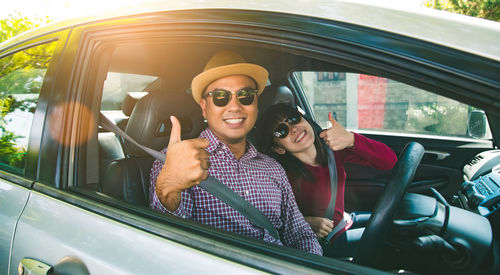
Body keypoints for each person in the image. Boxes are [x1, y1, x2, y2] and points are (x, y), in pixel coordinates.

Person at [149, 51, 322, 255]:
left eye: (245, 96)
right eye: (220, 97)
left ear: (256, 104)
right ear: (204, 108)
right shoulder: (178, 161)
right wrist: (168, 186)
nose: (235, 106)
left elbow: (300, 234)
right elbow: (168, 243)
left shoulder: (273, 167)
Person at [256, 103, 397, 257]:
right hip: (325, 242)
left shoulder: (331, 148)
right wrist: (304, 222)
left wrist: (351, 139)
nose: (293, 129)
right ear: (278, 148)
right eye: (281, 131)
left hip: (344, 221)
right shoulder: (282, 176)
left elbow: (389, 161)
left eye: (294, 119)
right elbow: (268, 222)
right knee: (391, 240)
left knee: (396, 225)